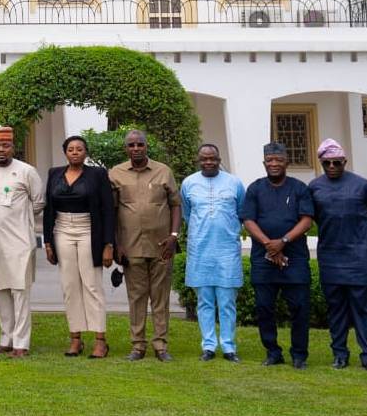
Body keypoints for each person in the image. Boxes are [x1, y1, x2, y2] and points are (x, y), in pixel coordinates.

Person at [308, 139, 367, 373]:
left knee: (365, 310)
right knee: (336, 309)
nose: (332, 166)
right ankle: (340, 355)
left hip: (361, 259)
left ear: (344, 161)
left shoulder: (362, 185)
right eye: (327, 163)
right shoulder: (315, 187)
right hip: (331, 257)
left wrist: (366, 232)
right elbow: (309, 216)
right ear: (321, 163)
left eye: (336, 162)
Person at [240, 142, 314, 369]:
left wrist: (282, 242)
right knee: (264, 307)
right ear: (264, 163)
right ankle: (273, 352)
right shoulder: (255, 188)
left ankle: (299, 354)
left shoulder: (299, 188)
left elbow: (307, 220)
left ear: (286, 163)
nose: (274, 164)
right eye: (269, 160)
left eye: (278, 160)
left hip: (295, 258)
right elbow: (248, 220)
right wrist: (268, 245)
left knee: (300, 308)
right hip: (264, 259)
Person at [110, 129, 181, 362]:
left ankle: (161, 345)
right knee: (137, 297)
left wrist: (174, 235)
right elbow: (111, 211)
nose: (136, 148)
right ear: (126, 149)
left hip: (162, 245)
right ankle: (138, 345)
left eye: (140, 144)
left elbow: (175, 205)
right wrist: (116, 244)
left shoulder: (163, 171)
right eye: (131, 145)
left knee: (160, 297)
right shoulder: (116, 174)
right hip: (131, 247)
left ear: (146, 146)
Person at [44, 135, 115, 359]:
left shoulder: (98, 175)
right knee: (69, 285)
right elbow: (48, 209)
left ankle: (100, 340)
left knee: (92, 284)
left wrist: (108, 244)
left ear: (86, 153)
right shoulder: (54, 173)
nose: (75, 152)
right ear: (65, 152)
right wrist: (47, 241)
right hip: (63, 229)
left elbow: (107, 210)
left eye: (79, 149)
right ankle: (75, 338)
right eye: (71, 149)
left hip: (89, 230)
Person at [0, 127, 46, 358]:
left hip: (20, 242)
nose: (1, 150)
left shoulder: (27, 171)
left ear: (13, 146)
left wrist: (22, 218)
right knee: (1, 292)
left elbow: (39, 203)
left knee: (20, 293)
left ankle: (22, 343)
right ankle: (5, 340)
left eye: (5, 145)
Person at [181, 144, 245, 363]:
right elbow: (187, 214)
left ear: (219, 159)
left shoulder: (234, 183)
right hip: (200, 250)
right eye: (204, 159)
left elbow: (241, 212)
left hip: (227, 250)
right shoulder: (189, 183)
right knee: (204, 301)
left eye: (212, 159)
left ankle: (229, 347)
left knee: (227, 301)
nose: (208, 162)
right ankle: (208, 346)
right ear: (198, 160)